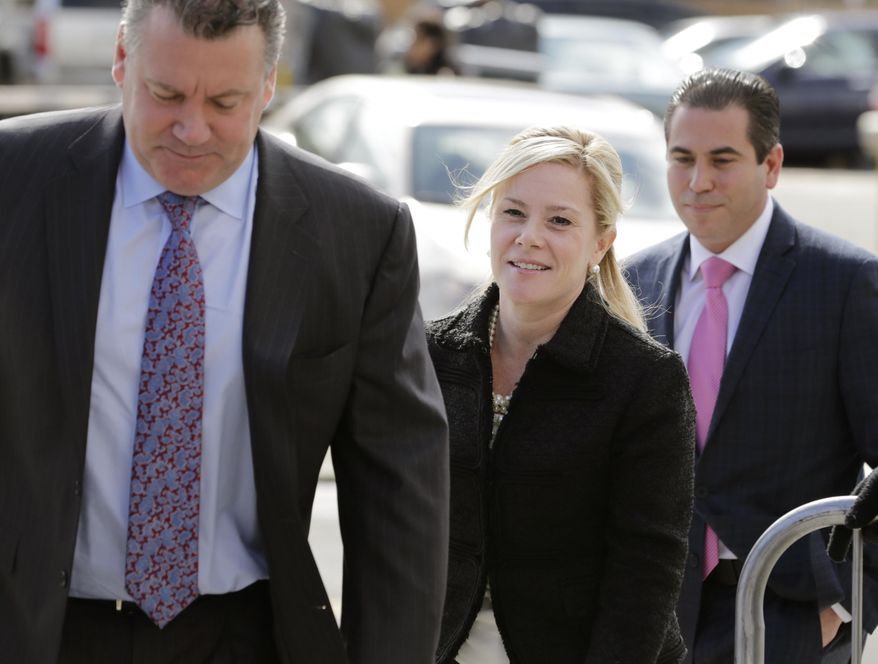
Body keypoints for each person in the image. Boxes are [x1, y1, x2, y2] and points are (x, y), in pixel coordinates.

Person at [0, 1, 449, 663]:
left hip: (248, 636)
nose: (191, 128)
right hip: (38, 628)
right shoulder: (14, 181)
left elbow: (399, 488)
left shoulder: (355, 232)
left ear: (269, 85)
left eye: (226, 102)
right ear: (122, 58)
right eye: (166, 93)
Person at [625, 68, 878, 664]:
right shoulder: (633, 283)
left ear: (771, 165)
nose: (698, 181)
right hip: (653, 615)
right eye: (681, 158)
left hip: (791, 615)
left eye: (722, 159)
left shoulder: (845, 283)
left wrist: (846, 604)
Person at [427, 125, 696, 664]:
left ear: (601, 242)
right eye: (512, 212)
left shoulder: (646, 380)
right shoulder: (430, 355)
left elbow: (645, 573)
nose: (529, 236)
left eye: (560, 220)